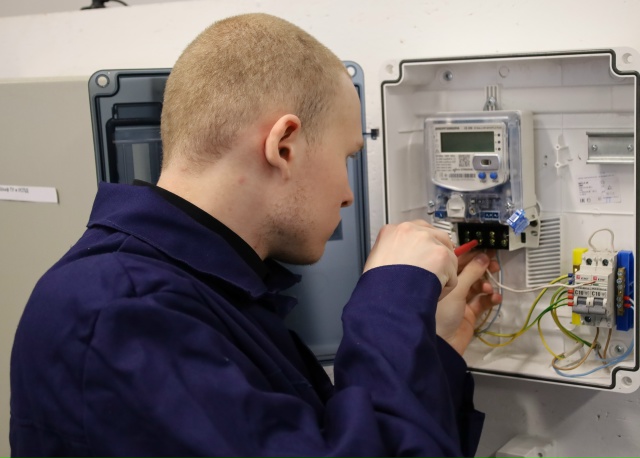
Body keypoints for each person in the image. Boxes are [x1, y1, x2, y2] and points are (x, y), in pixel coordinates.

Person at [10, 13, 501, 458]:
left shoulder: (194, 293)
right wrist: (389, 303)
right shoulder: (123, 312)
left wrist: (428, 350)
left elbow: (316, 441)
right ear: (284, 146)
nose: (349, 195)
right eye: (347, 157)